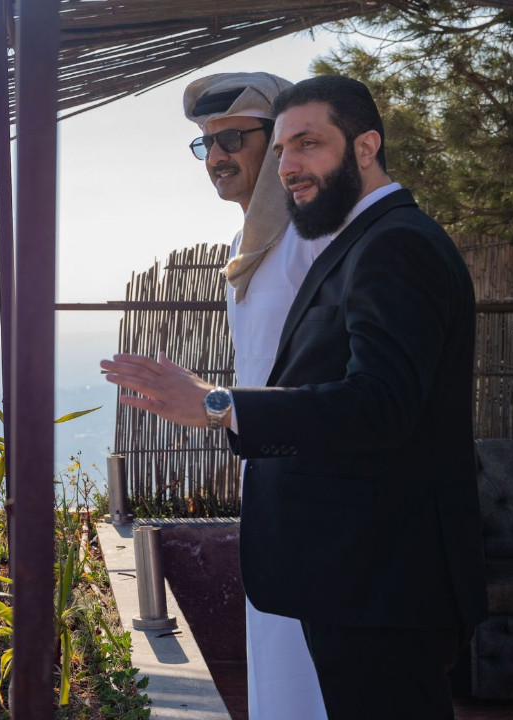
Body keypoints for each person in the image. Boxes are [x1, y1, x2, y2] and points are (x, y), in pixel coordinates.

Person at [103, 75, 486, 719]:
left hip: (381, 572)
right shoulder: (363, 239)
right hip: (349, 568)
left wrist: (221, 406)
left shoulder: (392, 244)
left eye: (308, 143)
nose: (289, 165)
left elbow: (382, 404)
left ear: (366, 146)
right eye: (283, 150)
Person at [183, 71, 328, 720]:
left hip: (319, 479)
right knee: (273, 643)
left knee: (312, 657)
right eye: (206, 144)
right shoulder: (245, 245)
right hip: (266, 470)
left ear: (276, 144)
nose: (216, 156)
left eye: (232, 139)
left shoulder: (313, 238)